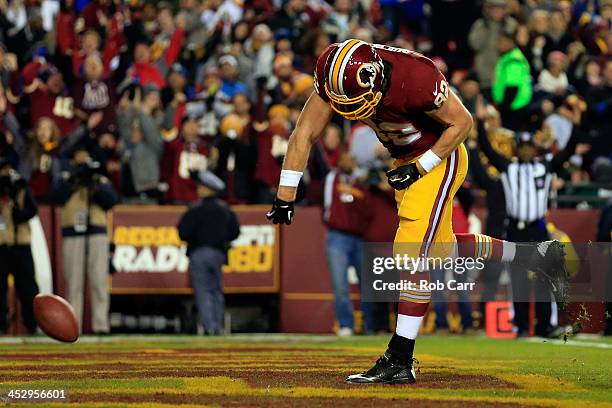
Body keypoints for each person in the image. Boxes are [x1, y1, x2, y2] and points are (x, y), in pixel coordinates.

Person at [266, 39, 569, 384]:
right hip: (405, 161)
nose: (354, 112)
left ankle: (400, 357)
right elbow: (304, 132)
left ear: (377, 79)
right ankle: (535, 257)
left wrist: (421, 166)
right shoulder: (334, 73)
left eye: (358, 103)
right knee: (440, 250)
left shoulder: (416, 76)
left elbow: (462, 123)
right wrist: (285, 195)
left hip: (440, 157)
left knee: (411, 255)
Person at [476, 107, 589, 338]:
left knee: (544, 279)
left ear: (534, 148)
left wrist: (576, 127)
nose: (527, 150)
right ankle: (520, 325)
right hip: (516, 229)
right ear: (518, 149)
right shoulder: (508, 166)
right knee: (519, 280)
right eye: (523, 147)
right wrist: (479, 123)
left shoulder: (544, 166)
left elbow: (567, 153)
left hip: (538, 227)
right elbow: (486, 149)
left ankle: (545, 325)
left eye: (530, 147)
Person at [50, 147, 118, 334]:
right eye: (79, 161)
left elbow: (111, 201)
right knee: (74, 282)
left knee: (99, 281)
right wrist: (74, 178)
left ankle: (101, 325)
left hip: (97, 232)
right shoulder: (65, 178)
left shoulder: (99, 179)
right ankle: (74, 326)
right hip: (73, 232)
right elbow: (56, 197)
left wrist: (93, 183)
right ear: (73, 162)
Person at [177, 170, 240, 335]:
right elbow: (235, 232)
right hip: (218, 254)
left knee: (203, 291)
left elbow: (182, 232)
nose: (198, 189)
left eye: (201, 187)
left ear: (207, 189)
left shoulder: (195, 209)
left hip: (199, 253)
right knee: (216, 290)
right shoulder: (225, 209)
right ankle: (218, 327)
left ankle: (209, 327)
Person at [323, 151, 373, 336]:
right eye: (344, 158)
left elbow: (368, 209)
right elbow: (327, 205)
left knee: (366, 285)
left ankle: (369, 325)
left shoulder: (360, 181)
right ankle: (346, 324)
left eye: (351, 158)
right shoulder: (333, 178)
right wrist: (333, 220)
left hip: (359, 236)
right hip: (337, 235)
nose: (347, 160)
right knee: (340, 284)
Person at [0, 161, 39, 334]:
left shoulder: (21, 186)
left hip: (21, 244)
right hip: (2, 244)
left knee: (28, 287)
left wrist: (19, 213)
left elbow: (33, 210)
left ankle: (32, 324)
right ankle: (1, 325)